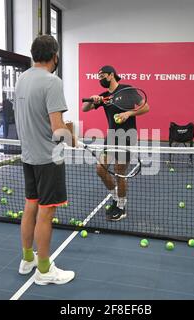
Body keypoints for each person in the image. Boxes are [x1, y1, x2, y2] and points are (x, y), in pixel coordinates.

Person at [14, 35, 75, 285]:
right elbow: (57, 129)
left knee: (30, 206)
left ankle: (28, 258)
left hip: (28, 156)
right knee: (46, 214)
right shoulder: (52, 82)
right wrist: (72, 138)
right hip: (48, 159)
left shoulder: (22, 79)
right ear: (54, 55)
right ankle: (44, 269)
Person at [82, 66, 150, 221]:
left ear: (111, 75)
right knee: (100, 169)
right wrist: (93, 99)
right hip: (111, 137)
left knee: (119, 172)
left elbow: (146, 107)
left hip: (127, 137)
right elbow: (84, 109)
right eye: (97, 76)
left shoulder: (127, 90)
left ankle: (121, 205)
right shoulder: (104, 97)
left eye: (102, 75)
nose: (100, 79)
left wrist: (129, 113)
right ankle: (115, 197)